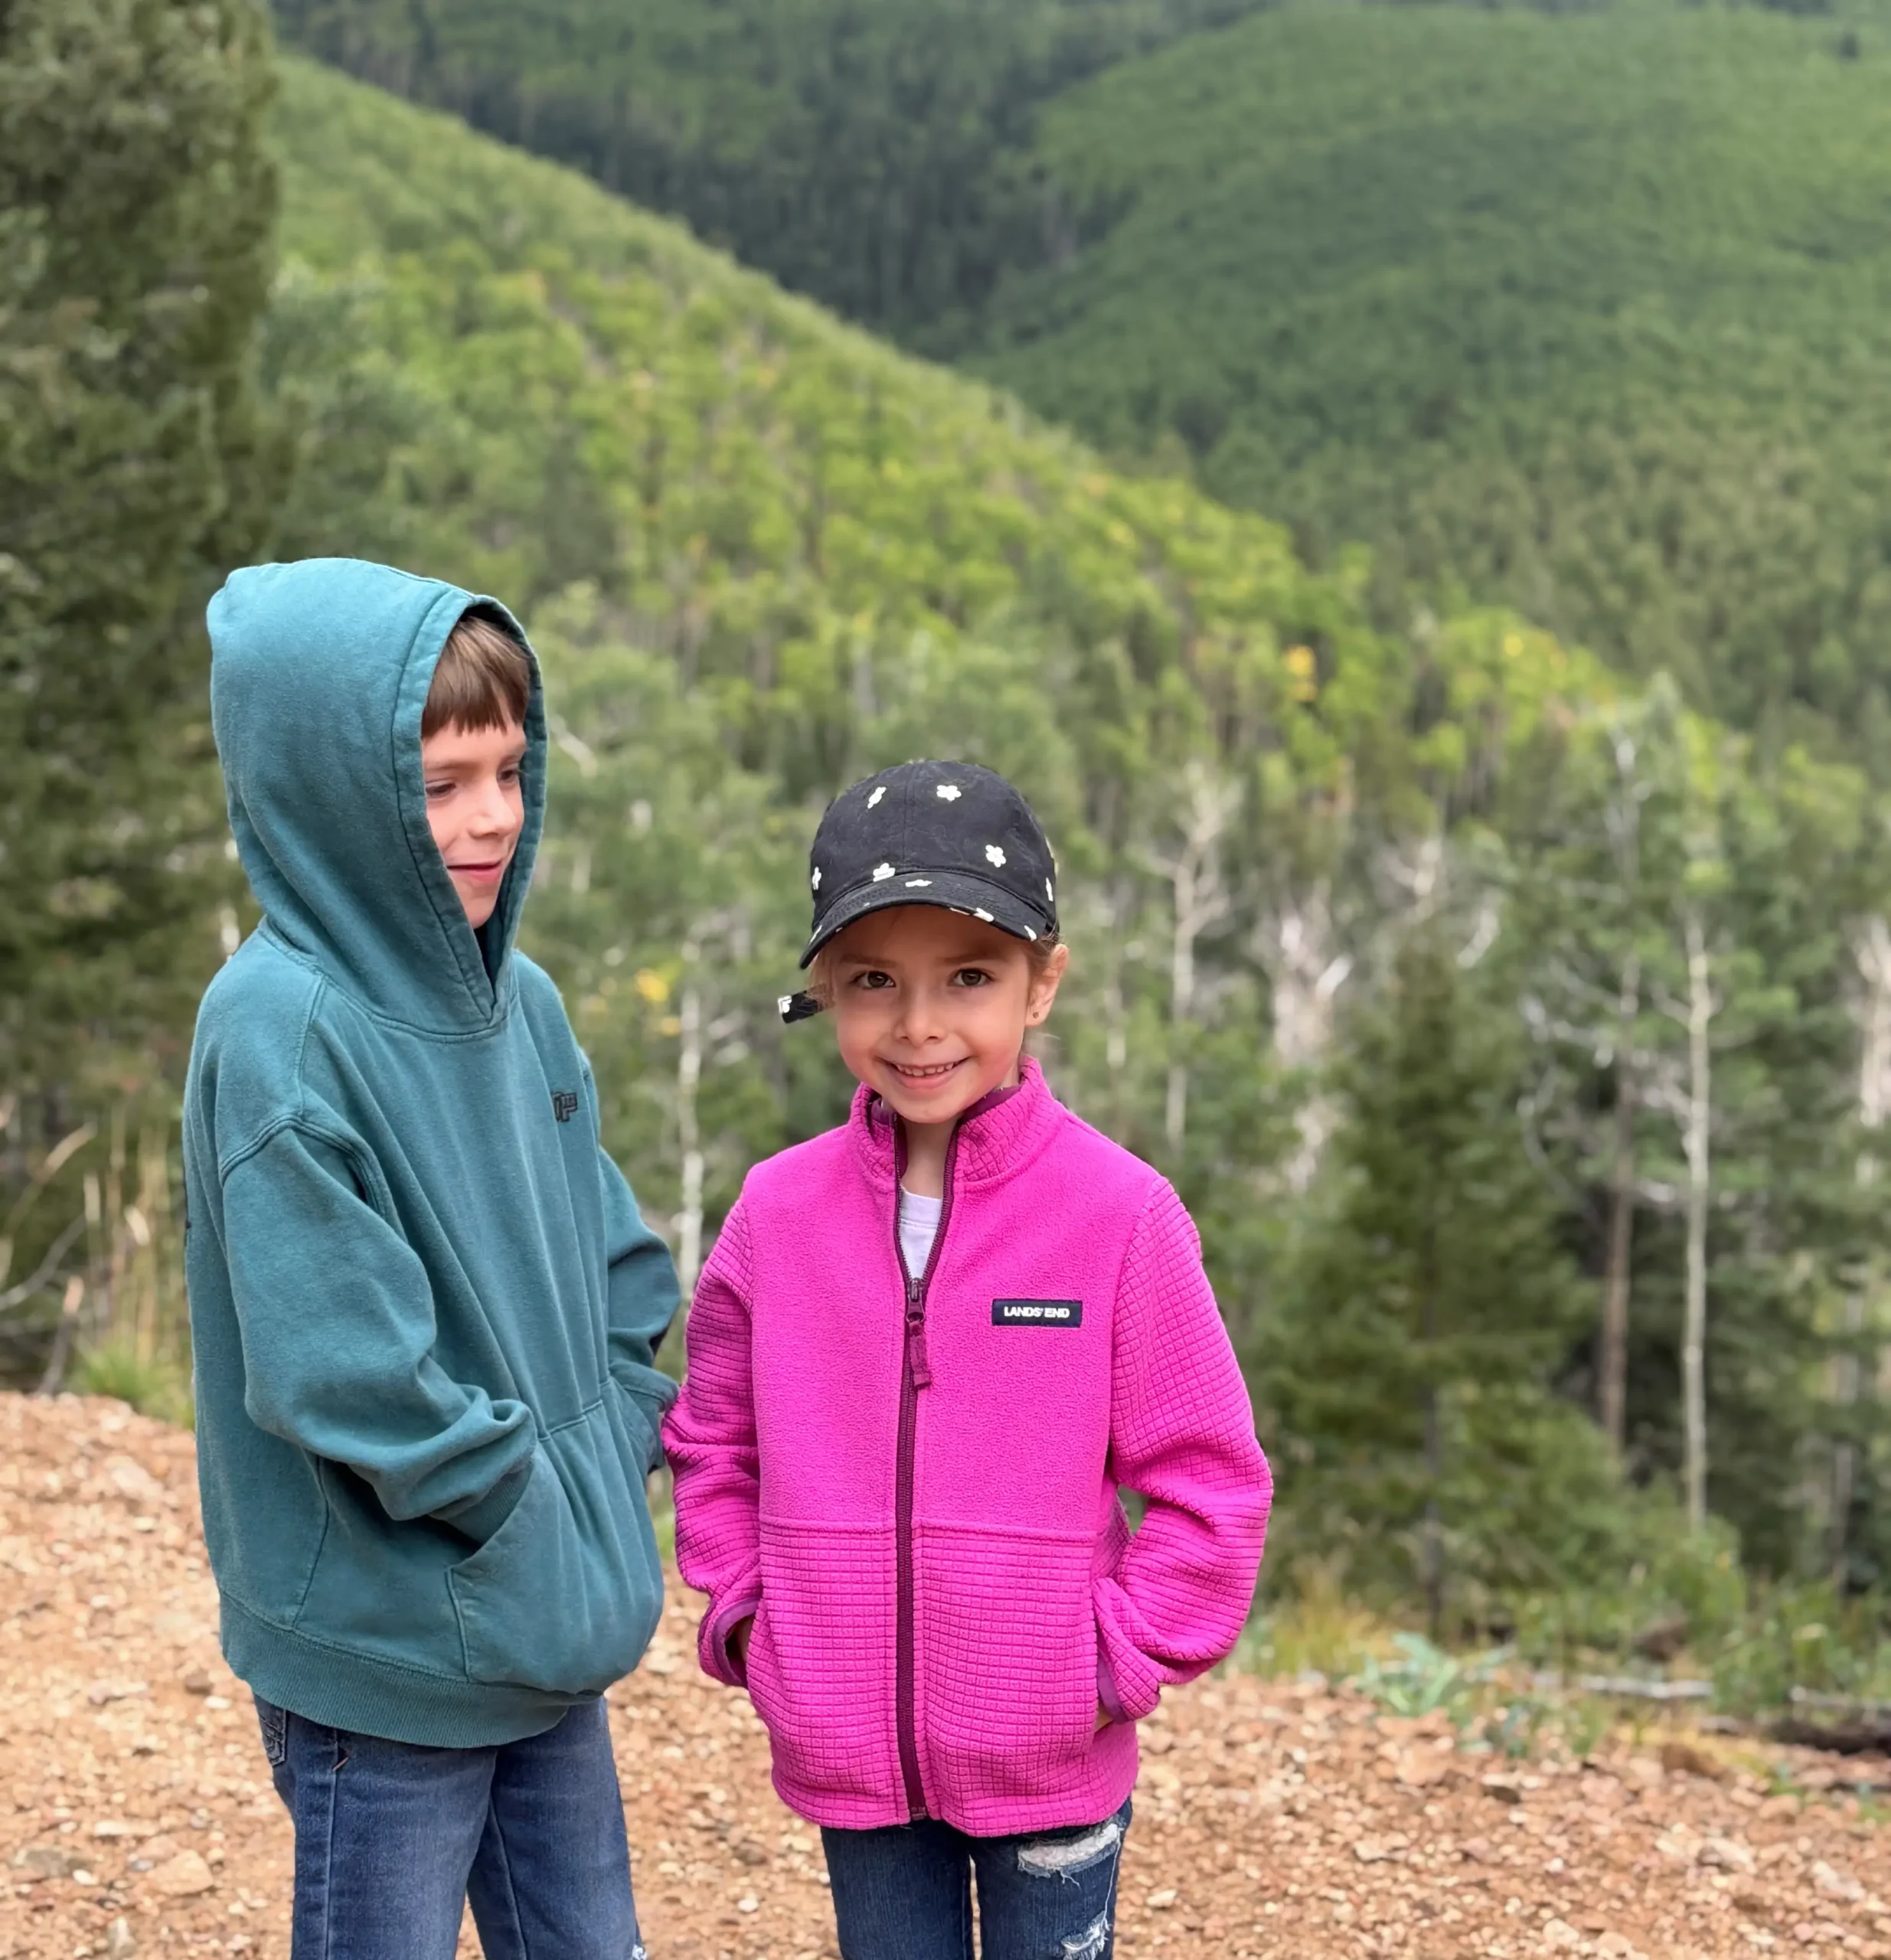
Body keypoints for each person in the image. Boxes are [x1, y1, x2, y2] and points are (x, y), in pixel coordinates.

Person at [663, 759, 1271, 1960]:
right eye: (874, 981)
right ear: (826, 989)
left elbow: (1213, 1482)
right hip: (847, 1754)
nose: (921, 1024)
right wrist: (748, 1620)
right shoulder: (775, 1216)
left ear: (1043, 984)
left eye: (971, 977)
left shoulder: (1121, 1215)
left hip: (1055, 1759)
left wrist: (1107, 1663)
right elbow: (711, 1443)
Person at [181, 558, 677, 1960]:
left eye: (510, 771)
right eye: (442, 781)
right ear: (330, 789)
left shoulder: (518, 1002)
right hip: (389, 1657)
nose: (491, 820)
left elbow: (616, 1265)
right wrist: (519, 1508)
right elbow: (346, 1375)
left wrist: (606, 1448)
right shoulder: (279, 1032)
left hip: (543, 1625)